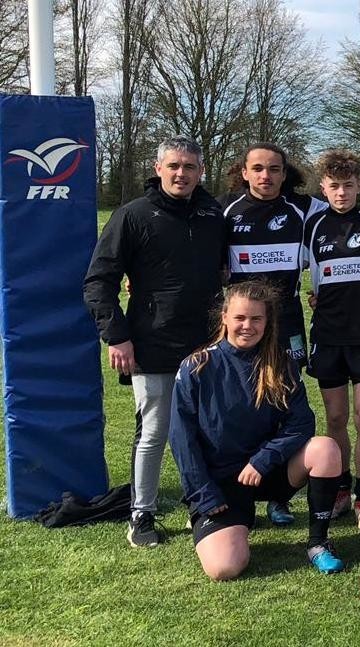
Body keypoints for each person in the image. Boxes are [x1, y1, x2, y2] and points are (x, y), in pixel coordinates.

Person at [84, 136, 226, 547]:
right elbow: (98, 281)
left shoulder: (213, 214)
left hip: (208, 343)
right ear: (158, 167)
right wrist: (117, 336)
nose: (181, 174)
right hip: (152, 341)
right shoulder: (133, 215)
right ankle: (141, 513)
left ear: (201, 171)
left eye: (190, 167)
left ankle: (205, 504)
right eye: (174, 166)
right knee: (154, 430)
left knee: (208, 429)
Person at [169, 280, 345, 579]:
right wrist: (204, 494)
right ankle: (240, 519)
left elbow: (301, 423)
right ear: (224, 317)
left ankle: (318, 543)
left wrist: (263, 460)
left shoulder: (281, 364)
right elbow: (181, 440)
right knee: (224, 568)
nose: (247, 326)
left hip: (266, 471)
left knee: (325, 449)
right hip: (222, 483)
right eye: (239, 317)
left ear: (267, 321)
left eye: (256, 318)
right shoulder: (197, 366)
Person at [218, 142, 325, 527]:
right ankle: (236, 489)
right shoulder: (225, 209)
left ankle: (280, 495)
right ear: (244, 172)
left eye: (274, 169)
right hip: (243, 326)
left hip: (287, 322)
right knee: (242, 405)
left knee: (287, 405)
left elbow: (350, 210)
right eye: (258, 168)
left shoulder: (305, 208)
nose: (266, 176)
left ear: (284, 173)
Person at [301, 149, 360, 525]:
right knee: (335, 418)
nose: (341, 193)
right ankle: (340, 486)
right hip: (328, 335)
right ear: (323, 187)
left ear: (359, 186)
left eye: (348, 185)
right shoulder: (313, 226)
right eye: (334, 186)